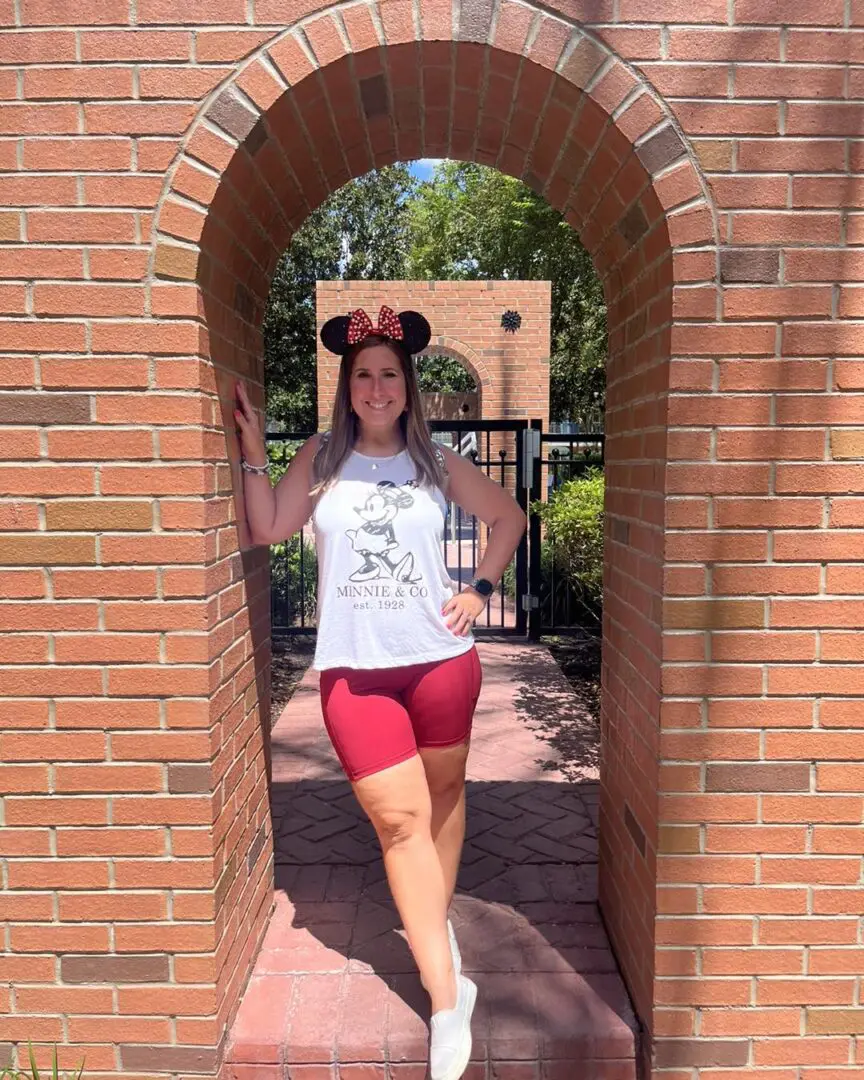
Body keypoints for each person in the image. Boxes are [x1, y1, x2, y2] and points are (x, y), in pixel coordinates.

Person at [234, 304, 527, 1080]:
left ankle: (432, 934)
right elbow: (265, 527)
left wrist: (479, 588)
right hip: (355, 672)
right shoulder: (323, 457)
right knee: (399, 822)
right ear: (347, 385)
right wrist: (254, 452)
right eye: (362, 374)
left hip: (439, 662)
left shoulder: (436, 462)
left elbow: (508, 516)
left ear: (407, 386)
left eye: (388, 374)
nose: (375, 386)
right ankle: (443, 993)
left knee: (444, 799)